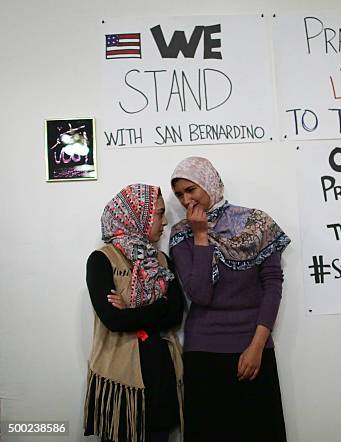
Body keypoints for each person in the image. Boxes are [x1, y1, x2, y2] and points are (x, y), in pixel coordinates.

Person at [169, 157, 290, 442]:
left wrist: (257, 346)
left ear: (209, 182)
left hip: (254, 346)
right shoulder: (181, 234)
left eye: (191, 190)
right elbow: (200, 295)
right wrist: (200, 236)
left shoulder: (257, 224)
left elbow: (272, 285)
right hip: (204, 351)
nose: (187, 200)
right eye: (179, 195)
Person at [83, 184, 184, 442]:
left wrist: (130, 310)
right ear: (138, 215)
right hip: (119, 381)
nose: (165, 221)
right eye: (159, 213)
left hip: (160, 375)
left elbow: (176, 314)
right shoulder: (102, 260)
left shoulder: (161, 260)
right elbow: (113, 320)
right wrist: (158, 307)